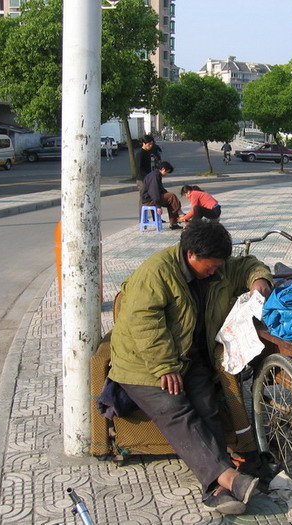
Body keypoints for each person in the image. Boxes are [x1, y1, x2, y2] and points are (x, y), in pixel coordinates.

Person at [108, 220, 273, 515]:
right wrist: (164, 367)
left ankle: (217, 489)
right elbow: (143, 323)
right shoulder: (156, 273)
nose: (215, 272)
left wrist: (259, 279)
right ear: (191, 255)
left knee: (206, 405)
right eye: (210, 267)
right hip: (142, 362)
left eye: (218, 266)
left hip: (188, 357)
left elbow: (247, 264)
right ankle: (228, 478)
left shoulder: (219, 266)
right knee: (176, 409)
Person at [140, 160, 183, 230]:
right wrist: (158, 206)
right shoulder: (154, 176)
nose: (166, 174)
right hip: (149, 199)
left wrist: (166, 193)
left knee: (171, 199)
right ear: (163, 169)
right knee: (171, 196)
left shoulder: (156, 175)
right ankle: (179, 213)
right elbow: (154, 192)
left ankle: (174, 222)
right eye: (167, 172)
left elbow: (161, 189)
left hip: (151, 198)